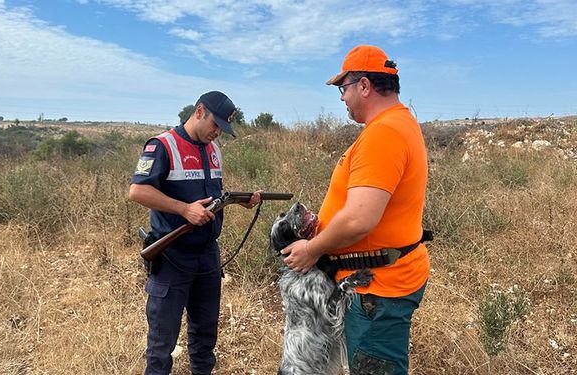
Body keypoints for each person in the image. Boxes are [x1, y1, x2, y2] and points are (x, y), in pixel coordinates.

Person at [281, 45, 430, 375]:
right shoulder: (397, 124)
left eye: (342, 88)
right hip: (378, 283)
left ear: (364, 85)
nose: (341, 98)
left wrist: (311, 249)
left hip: (377, 290)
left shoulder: (384, 134)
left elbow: (360, 219)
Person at [128, 91, 260, 375]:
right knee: (161, 345)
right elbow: (137, 191)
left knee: (204, 339)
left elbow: (213, 199)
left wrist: (242, 201)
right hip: (172, 257)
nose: (217, 134)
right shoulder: (162, 146)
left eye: (223, 130)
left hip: (207, 257)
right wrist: (183, 209)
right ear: (199, 111)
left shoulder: (214, 150)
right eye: (215, 125)